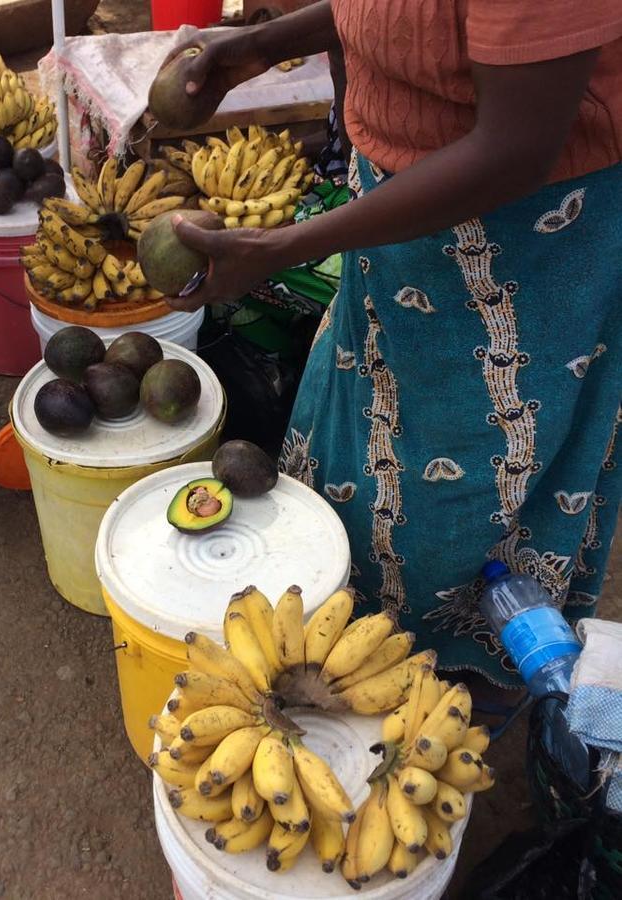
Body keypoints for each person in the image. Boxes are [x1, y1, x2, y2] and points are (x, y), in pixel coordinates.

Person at [164, 1, 622, 689]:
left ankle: (457, 679)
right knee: (368, 437)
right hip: (399, 224)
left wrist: (280, 246)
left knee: (472, 486)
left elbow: (517, 148)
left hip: (526, 240)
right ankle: (350, 633)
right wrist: (260, 44)